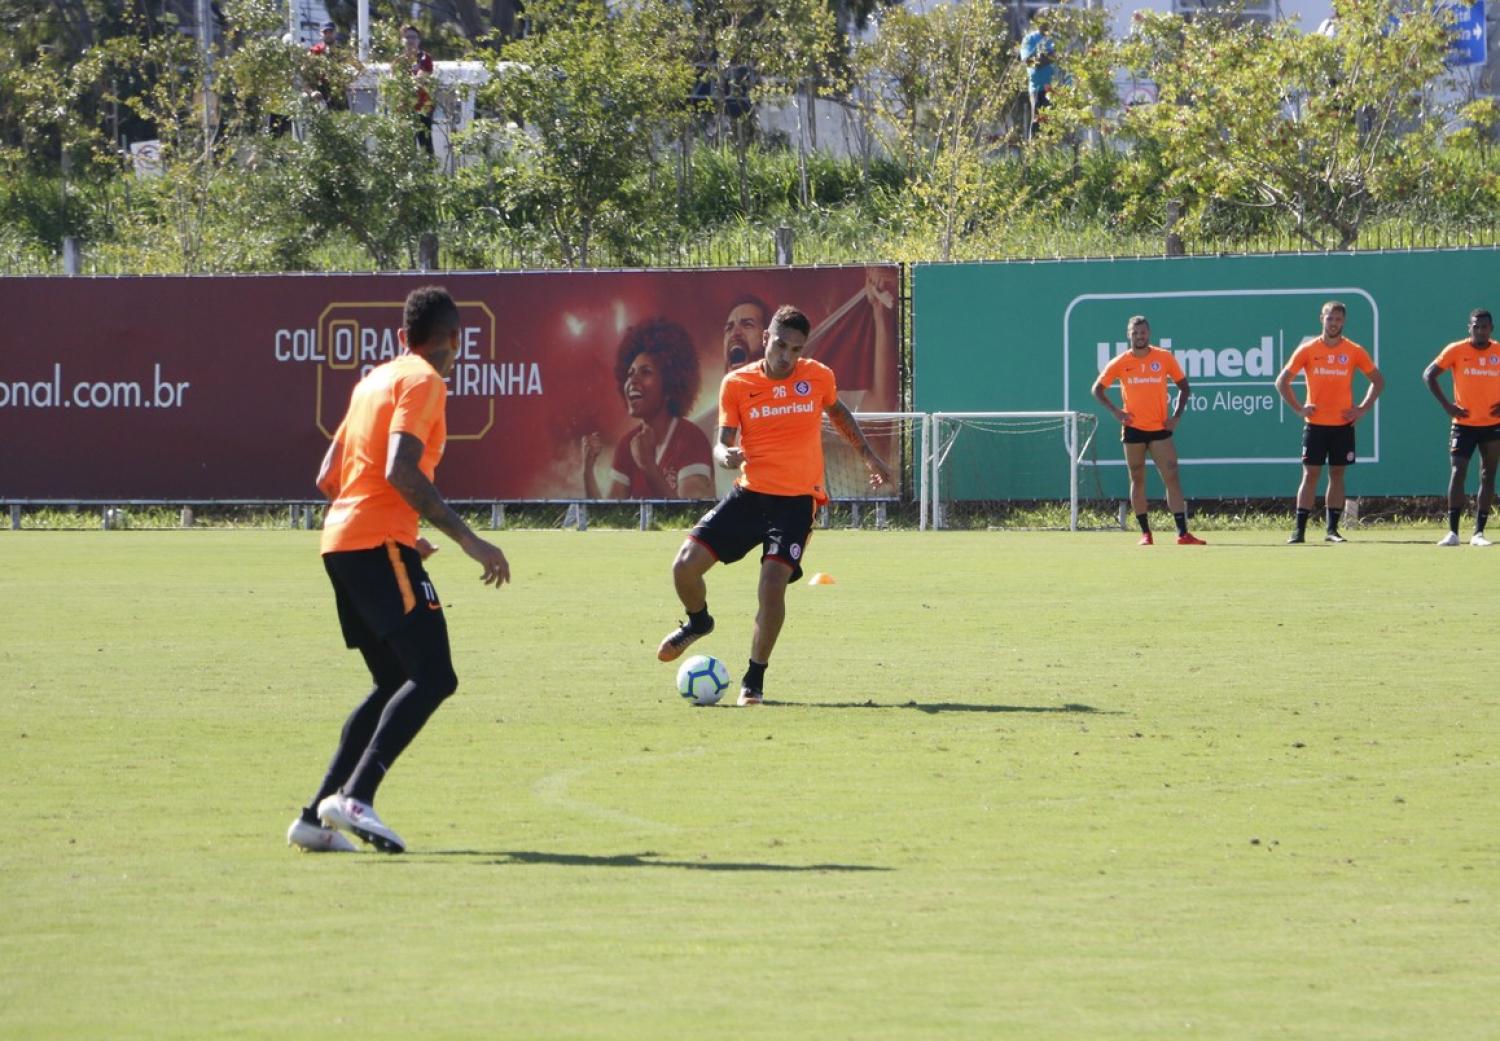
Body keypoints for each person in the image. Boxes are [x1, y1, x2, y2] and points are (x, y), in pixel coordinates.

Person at [287, 286, 510, 854]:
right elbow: (400, 468)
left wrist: (401, 533)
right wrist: (466, 539)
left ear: (401, 336)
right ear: (456, 342)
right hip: (374, 541)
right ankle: (356, 795)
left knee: (393, 681)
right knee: (435, 676)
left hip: (342, 542)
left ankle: (315, 818)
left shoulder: (373, 381)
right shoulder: (425, 381)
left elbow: (327, 473)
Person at [656, 304, 893, 706]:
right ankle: (699, 621)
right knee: (683, 566)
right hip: (749, 496)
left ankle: (754, 678)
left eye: (796, 349)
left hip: (797, 502)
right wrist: (723, 454)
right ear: (766, 338)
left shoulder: (817, 377)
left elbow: (838, 412)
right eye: (781, 345)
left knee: (771, 585)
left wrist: (869, 456)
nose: (787, 356)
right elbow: (722, 439)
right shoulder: (737, 383)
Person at [1273, 300, 1384, 544]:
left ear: (1343, 322)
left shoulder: (1354, 350)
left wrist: (1362, 409)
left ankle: (1332, 530)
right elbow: (1282, 381)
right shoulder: (1308, 349)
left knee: (1337, 474)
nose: (1333, 323)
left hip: (1343, 425)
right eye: (1329, 318)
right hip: (1316, 424)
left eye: (1338, 319)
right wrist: (1299, 408)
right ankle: (1299, 531)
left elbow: (1377, 380)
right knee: (1310, 474)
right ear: (1321, 319)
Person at [1091, 315, 1206, 546]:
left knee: (1172, 476)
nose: (1139, 336)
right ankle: (1146, 533)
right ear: (1129, 335)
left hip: (1159, 429)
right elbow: (1097, 389)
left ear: (1149, 334)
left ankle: (1182, 533)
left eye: (1143, 333)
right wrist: (1116, 411)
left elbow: (1184, 387)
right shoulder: (1120, 361)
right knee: (1137, 478)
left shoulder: (1163, 357)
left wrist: (1176, 416)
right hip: (1133, 429)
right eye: (1135, 333)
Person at [582, 318, 714, 499]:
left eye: (645, 372)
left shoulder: (690, 439)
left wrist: (649, 467)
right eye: (630, 374)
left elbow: (690, 517)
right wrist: (588, 471)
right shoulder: (627, 444)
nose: (633, 381)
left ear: (669, 385)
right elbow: (609, 518)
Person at [1423, 308, 1500, 546]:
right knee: (1458, 473)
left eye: (1484, 326)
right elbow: (1429, 375)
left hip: (1492, 425)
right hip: (1463, 425)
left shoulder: (1498, 350)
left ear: (1491, 329)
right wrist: (1448, 406)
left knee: (1488, 476)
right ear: (1469, 328)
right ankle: (1453, 532)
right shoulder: (1456, 350)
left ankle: (1478, 533)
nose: (1480, 330)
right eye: (1475, 326)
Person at [1019, 12, 1057, 141]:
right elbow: (1026, 60)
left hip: (1052, 89)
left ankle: (1049, 155)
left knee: (1051, 124)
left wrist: (1043, 60)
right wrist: (1042, 60)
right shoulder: (1029, 39)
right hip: (1037, 87)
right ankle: (1033, 152)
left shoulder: (1052, 39)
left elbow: (1054, 57)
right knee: (1036, 121)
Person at [401, 23, 436, 155]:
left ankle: (429, 173)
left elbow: (423, 76)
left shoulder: (425, 58)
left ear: (419, 40)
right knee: (407, 147)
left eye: (414, 37)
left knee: (425, 144)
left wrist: (413, 78)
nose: (411, 40)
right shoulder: (399, 61)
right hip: (405, 108)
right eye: (407, 37)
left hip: (423, 107)